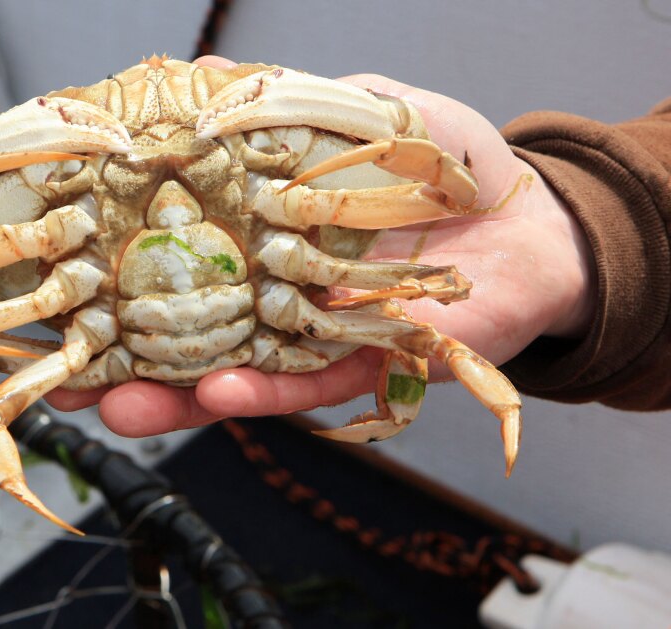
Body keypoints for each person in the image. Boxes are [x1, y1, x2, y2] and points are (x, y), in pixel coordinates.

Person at [45, 56, 671, 436]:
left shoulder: (301, 201)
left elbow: (446, 188)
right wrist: (587, 227)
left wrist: (558, 230)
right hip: (254, 327)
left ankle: (396, 414)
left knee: (417, 338)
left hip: (286, 317)